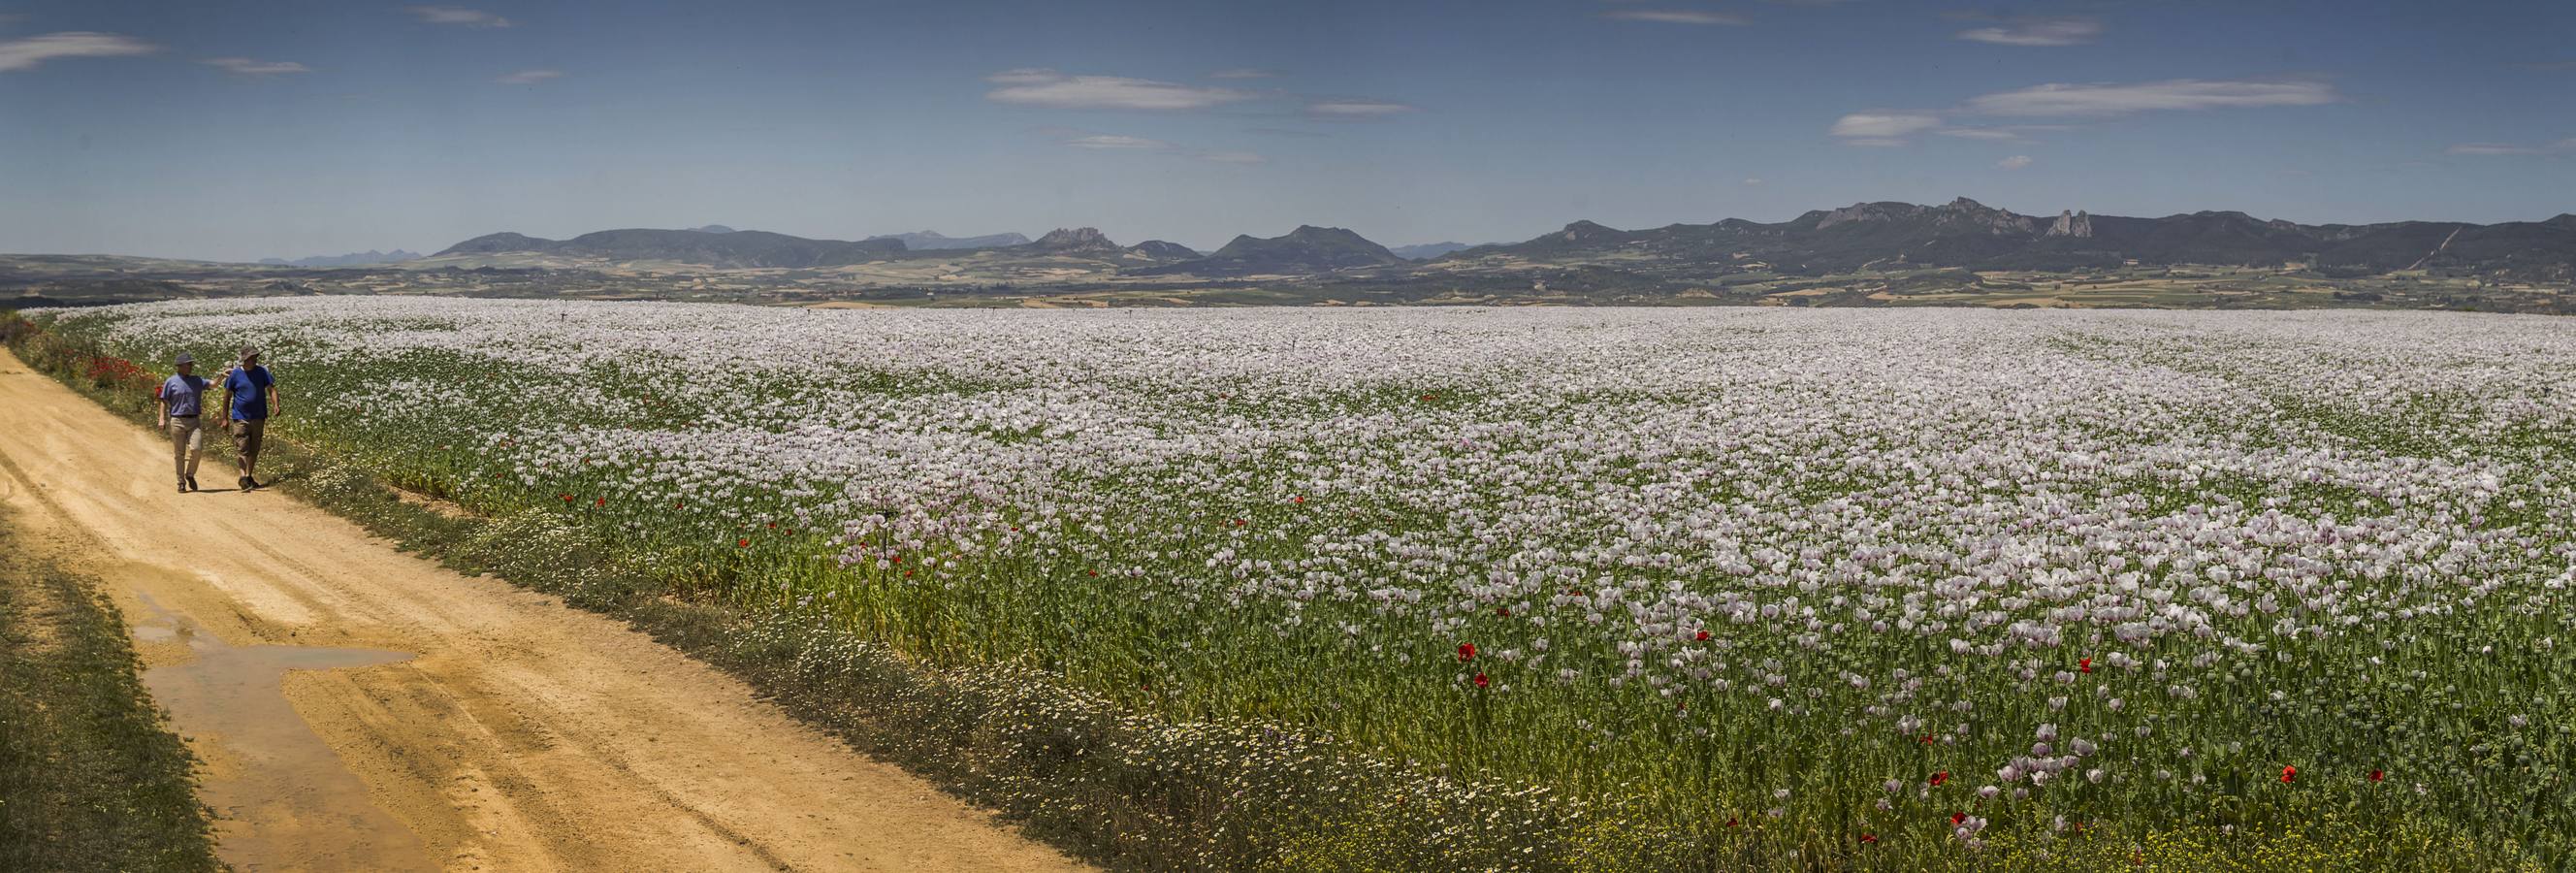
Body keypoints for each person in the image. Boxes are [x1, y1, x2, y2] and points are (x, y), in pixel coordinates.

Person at [220, 344, 279, 491]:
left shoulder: (262, 372)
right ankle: (243, 477)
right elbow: (227, 396)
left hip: (259, 416)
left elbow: (271, 389)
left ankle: (248, 475)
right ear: (245, 359)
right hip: (240, 417)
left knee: (254, 447)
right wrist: (225, 418)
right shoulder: (235, 375)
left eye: (255, 357)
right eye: (252, 358)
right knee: (242, 446)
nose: (254, 360)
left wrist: (276, 405)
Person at [156, 351, 210, 493]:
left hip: (194, 420)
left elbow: (213, 385)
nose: (191, 366)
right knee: (179, 453)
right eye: (188, 364)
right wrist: (161, 418)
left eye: (191, 364)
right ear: (180, 366)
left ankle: (190, 474)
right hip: (177, 420)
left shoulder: (197, 380)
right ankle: (181, 482)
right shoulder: (171, 381)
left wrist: (222, 376)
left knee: (196, 449)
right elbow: (163, 400)